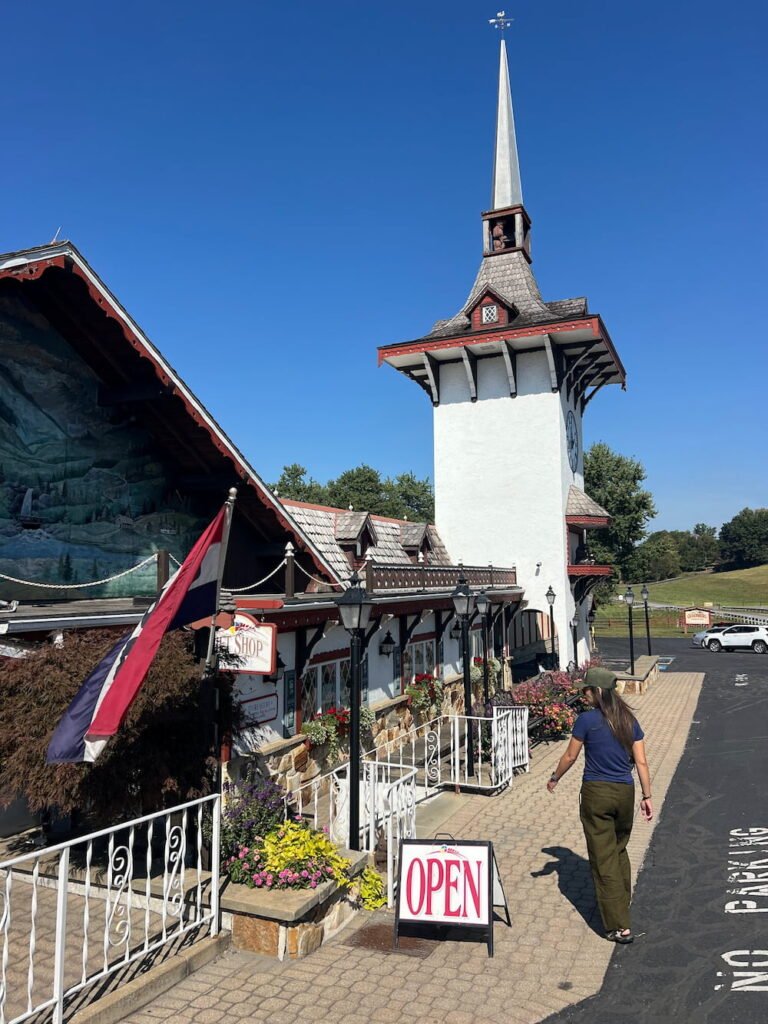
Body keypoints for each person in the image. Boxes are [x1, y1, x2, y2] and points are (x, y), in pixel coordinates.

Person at [546, 666, 653, 943]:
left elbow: (570, 756)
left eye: (587, 690)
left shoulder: (586, 721)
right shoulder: (630, 720)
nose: (584, 694)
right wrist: (647, 796)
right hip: (625, 793)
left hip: (597, 793)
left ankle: (619, 925)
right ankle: (622, 902)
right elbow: (641, 761)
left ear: (597, 692)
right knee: (619, 848)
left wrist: (555, 777)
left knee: (603, 858)